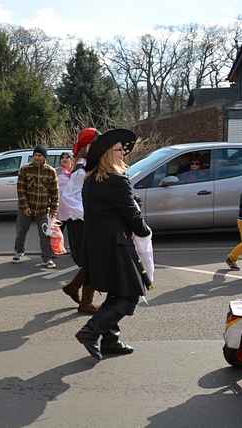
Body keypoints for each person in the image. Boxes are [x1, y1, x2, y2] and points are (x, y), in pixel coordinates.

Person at [75, 129, 151, 361]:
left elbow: (114, 207)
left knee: (117, 293)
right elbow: (130, 214)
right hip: (116, 245)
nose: (123, 154)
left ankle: (111, 340)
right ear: (107, 154)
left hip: (98, 245)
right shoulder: (117, 180)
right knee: (130, 295)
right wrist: (145, 231)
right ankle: (91, 331)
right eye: (118, 150)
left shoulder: (92, 179)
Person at [59, 128, 100, 314]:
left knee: (93, 261)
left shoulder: (86, 164)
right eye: (97, 142)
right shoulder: (80, 169)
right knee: (93, 261)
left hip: (84, 220)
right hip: (81, 222)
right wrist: (87, 214)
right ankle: (83, 300)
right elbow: (68, 197)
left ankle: (76, 290)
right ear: (89, 144)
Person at [13, 145, 59, 268]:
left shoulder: (51, 171)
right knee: (21, 231)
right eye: (35, 155)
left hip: (43, 210)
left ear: (45, 157)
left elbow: (55, 192)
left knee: (45, 235)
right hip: (26, 209)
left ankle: (47, 258)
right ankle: (18, 251)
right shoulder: (25, 169)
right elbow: (20, 189)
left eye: (40, 155)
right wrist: (25, 206)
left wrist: (54, 209)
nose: (37, 158)